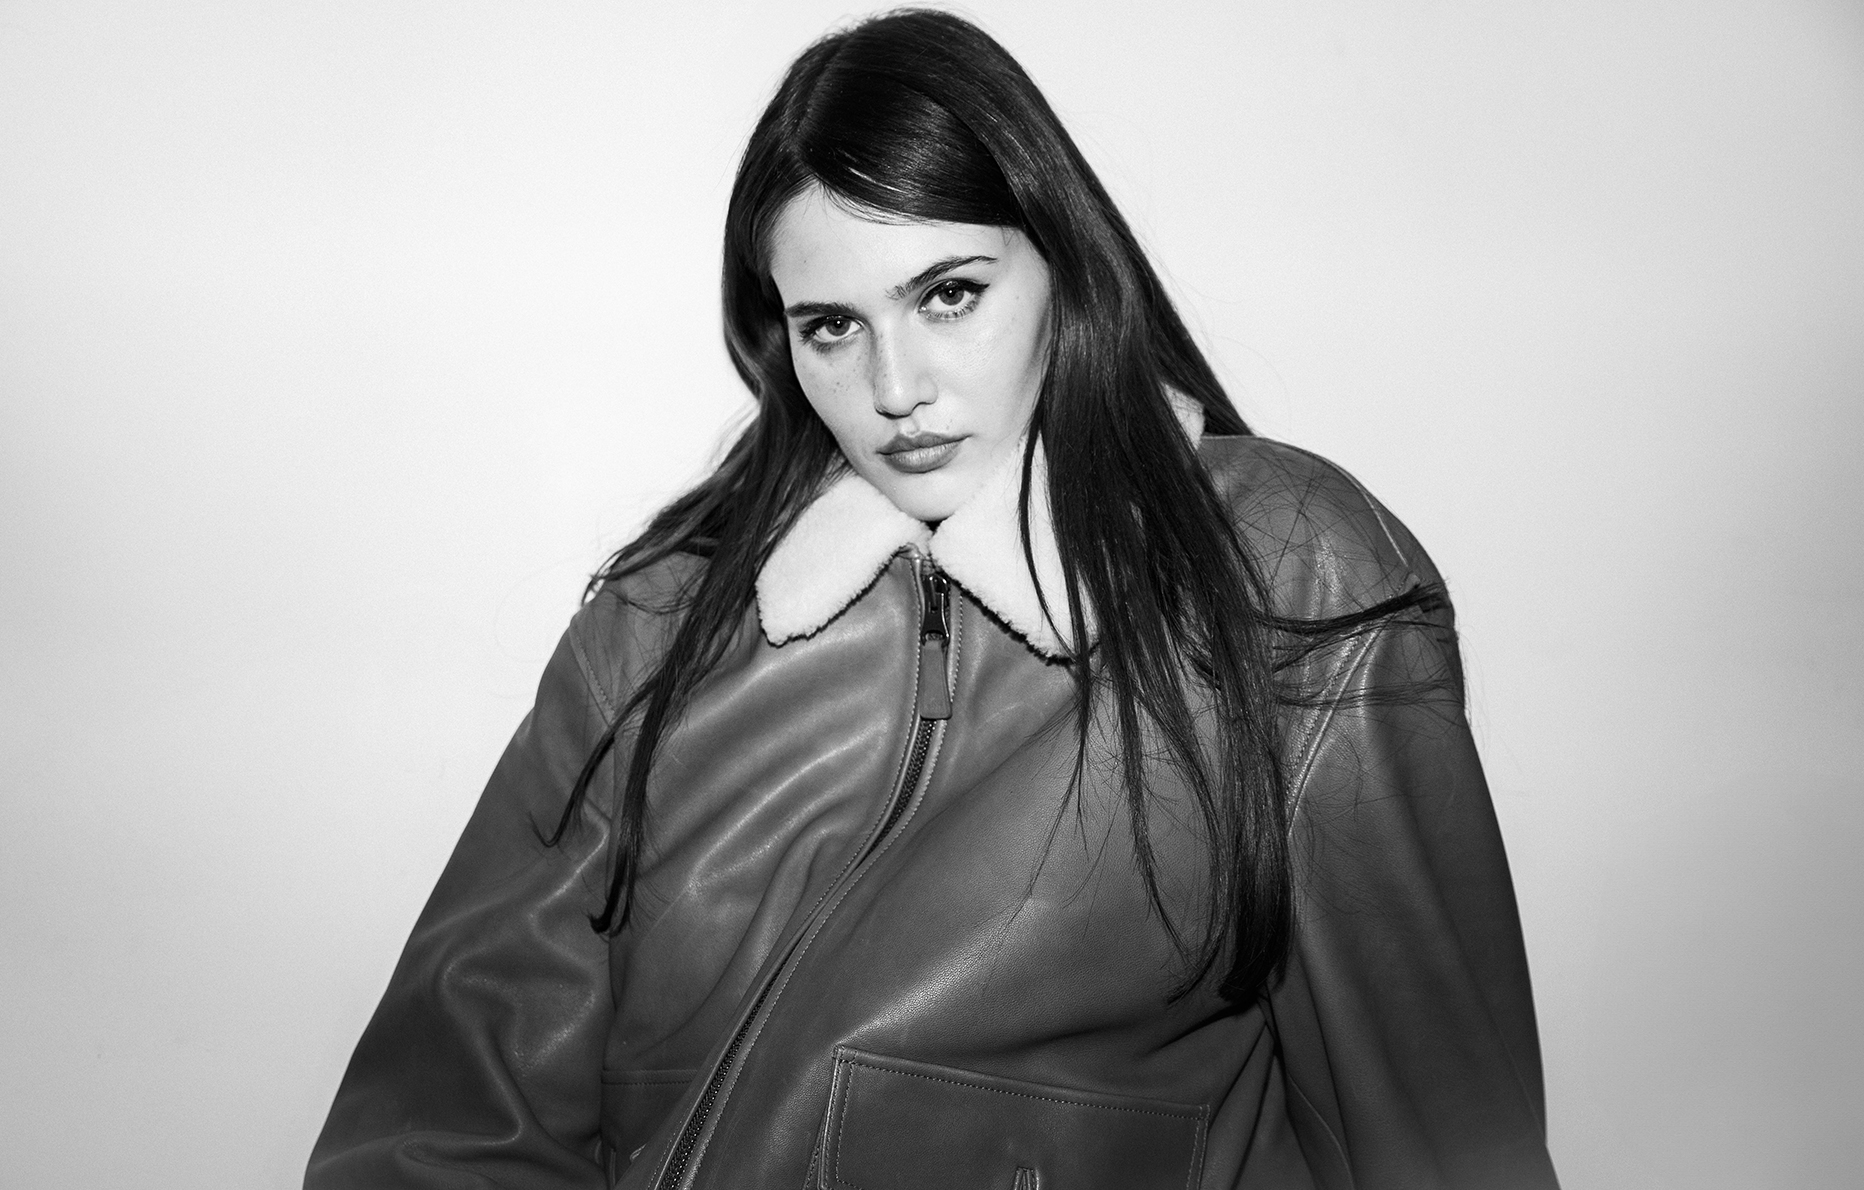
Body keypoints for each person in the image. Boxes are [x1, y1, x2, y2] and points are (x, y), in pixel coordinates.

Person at [306, 9, 1559, 1189]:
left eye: (947, 293)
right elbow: (442, 1122)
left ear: (1066, 269)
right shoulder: (662, 617)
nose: (894, 386)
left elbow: (1439, 1144)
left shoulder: (1278, 566)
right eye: (831, 326)